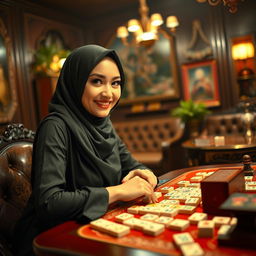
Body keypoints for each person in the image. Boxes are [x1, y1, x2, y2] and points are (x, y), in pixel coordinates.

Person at [13, 44, 158, 256]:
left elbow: (133, 165)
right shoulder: (55, 127)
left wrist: (148, 176)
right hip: (52, 241)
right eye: (97, 81)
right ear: (76, 81)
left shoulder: (103, 124)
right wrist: (118, 191)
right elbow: (49, 204)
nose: (108, 93)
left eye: (115, 83)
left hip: (98, 226)